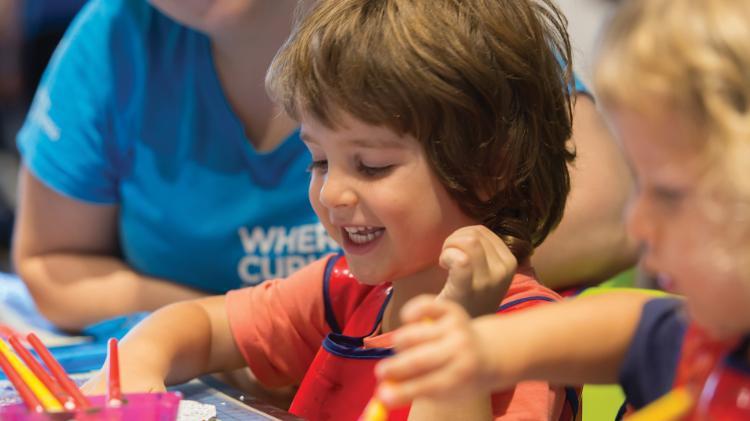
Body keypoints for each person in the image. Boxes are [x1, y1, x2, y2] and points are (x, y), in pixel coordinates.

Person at [83, 0, 583, 419]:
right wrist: (139, 365)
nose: (331, 194)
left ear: (488, 168)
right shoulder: (347, 289)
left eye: (371, 166)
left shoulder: (527, 335)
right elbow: (201, 324)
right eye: (319, 160)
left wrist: (462, 325)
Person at [375, 0, 750, 418]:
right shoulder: (718, 335)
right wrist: (486, 349)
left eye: (668, 194)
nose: (637, 223)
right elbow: (635, 329)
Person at [11, 0, 339, 331]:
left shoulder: (388, 29)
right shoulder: (116, 34)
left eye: (372, 166)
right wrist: (224, 332)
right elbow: (52, 266)